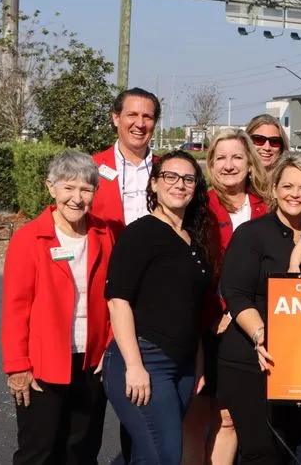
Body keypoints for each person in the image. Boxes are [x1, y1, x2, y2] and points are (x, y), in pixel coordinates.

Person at [1, 150, 114, 465]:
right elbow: (15, 308)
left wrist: (110, 346)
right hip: (43, 364)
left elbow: (115, 298)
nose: (77, 198)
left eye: (86, 189)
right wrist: (18, 367)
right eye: (68, 188)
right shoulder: (29, 239)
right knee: (38, 451)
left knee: (82, 450)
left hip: (92, 361)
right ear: (51, 188)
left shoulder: (104, 234)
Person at [102, 151, 212, 464]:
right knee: (164, 456)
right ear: (154, 184)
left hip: (184, 365)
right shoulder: (140, 233)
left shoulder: (193, 238)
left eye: (188, 178)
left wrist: (198, 362)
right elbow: (118, 301)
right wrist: (135, 366)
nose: (180, 184)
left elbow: (192, 306)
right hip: (145, 359)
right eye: (170, 176)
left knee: (147, 456)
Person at [218, 153, 301, 463]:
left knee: (289, 446)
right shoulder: (252, 234)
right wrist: (260, 334)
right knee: (261, 450)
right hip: (252, 357)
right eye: (288, 186)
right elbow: (236, 294)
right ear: (275, 188)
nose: (295, 194)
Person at [183, 128, 272, 465]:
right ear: (210, 164)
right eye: (221, 158)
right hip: (207, 325)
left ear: (250, 163)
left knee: (230, 418)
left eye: (237, 157)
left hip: (251, 325)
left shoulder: (268, 207)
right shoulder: (196, 207)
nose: (229, 165)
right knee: (197, 417)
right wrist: (215, 314)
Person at [90, 87, 161, 235]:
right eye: (132, 115)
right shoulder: (91, 167)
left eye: (147, 117)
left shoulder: (167, 170)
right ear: (116, 118)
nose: (140, 124)